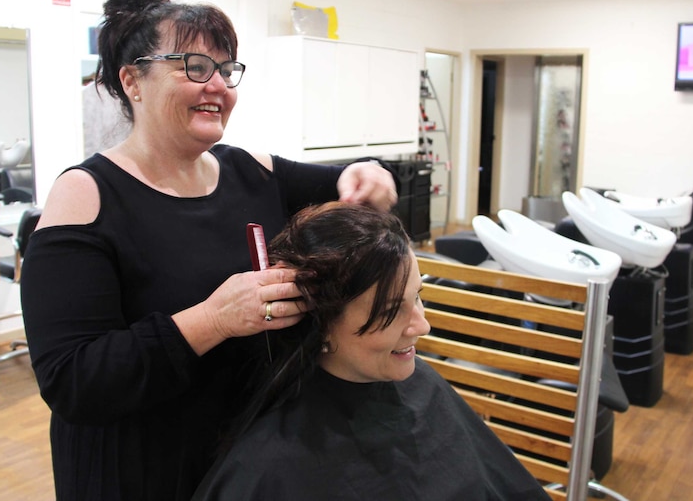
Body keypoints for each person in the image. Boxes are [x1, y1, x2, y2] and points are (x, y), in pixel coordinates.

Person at [20, 0, 397, 501]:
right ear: (133, 81)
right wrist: (213, 319)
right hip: (139, 472)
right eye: (195, 67)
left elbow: (347, 178)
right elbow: (73, 382)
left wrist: (368, 172)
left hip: (243, 461)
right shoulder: (86, 194)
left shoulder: (250, 170)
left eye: (226, 69)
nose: (217, 84)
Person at [192, 202, 552, 501]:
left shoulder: (421, 383)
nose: (422, 326)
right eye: (392, 311)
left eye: (418, 297)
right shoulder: (269, 468)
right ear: (322, 325)